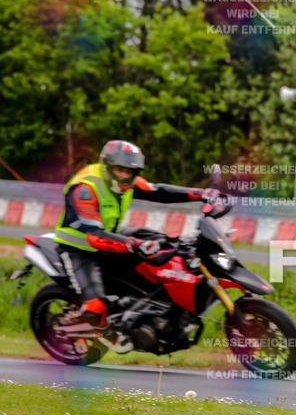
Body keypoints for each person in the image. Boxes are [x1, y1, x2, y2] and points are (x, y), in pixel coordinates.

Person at [53, 140, 220, 329]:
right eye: (120, 170)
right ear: (107, 166)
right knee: (96, 310)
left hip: (111, 237)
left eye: (130, 172)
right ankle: (74, 323)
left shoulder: (126, 182)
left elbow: (159, 192)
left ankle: (148, 317)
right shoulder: (85, 189)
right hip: (80, 249)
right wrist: (136, 244)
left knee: (165, 245)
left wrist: (202, 194)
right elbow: (94, 236)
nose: (125, 176)